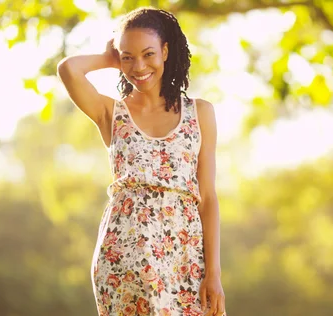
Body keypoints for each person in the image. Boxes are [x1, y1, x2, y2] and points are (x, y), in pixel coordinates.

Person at [57, 7, 225, 316]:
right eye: (128, 57)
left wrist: (213, 273)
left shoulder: (200, 113)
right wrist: (109, 58)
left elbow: (209, 198)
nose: (139, 66)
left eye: (148, 54)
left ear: (165, 51)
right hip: (124, 258)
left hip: (185, 257)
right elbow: (68, 70)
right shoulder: (111, 113)